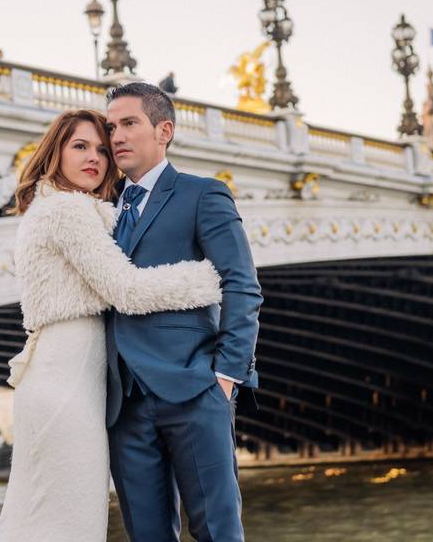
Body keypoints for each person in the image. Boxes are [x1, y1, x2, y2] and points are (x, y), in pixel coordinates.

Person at [0, 109, 222, 542]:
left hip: (65, 379)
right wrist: (211, 277)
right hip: (65, 387)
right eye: (80, 146)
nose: (95, 158)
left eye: (103, 150)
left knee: (47, 516)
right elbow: (126, 289)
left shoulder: (62, 208)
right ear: (55, 152)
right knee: (67, 522)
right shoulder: (67, 212)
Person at [105, 82, 262, 542]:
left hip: (195, 391)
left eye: (129, 123)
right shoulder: (100, 208)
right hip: (126, 403)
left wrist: (226, 378)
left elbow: (242, 286)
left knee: (217, 532)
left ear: (164, 130)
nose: (116, 136)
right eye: (111, 127)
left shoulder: (203, 195)